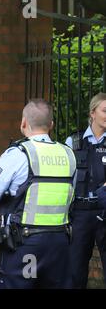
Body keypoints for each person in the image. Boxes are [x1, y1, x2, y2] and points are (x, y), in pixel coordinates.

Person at [0, 98, 76, 289]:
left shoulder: (18, 154)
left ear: (23, 122)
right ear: (51, 125)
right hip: (59, 243)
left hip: (25, 244)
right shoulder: (69, 154)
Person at [66, 92, 106, 288]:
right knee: (75, 269)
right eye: (105, 110)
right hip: (80, 214)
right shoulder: (73, 142)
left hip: (105, 212)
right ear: (92, 113)